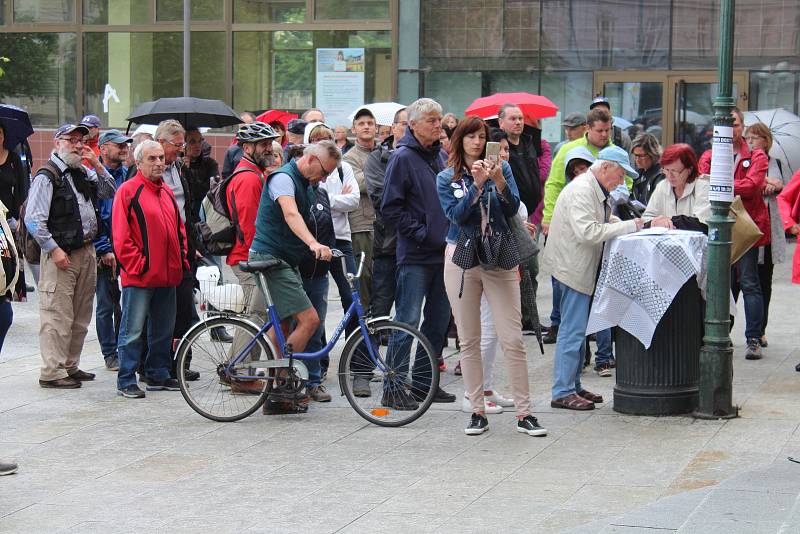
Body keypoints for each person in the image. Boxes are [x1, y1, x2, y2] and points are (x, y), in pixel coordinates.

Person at [437, 116, 547, 436]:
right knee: (469, 340)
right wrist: (476, 184)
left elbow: (512, 209)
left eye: (481, 136)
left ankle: (525, 413)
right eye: (469, 136)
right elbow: (456, 217)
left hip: (499, 255)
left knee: (512, 338)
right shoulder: (447, 177)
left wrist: (497, 180)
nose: (475, 141)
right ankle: (476, 410)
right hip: (461, 257)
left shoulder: (504, 169)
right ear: (459, 141)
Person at [543, 146, 655, 410]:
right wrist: (631, 225)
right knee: (572, 330)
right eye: (619, 174)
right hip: (572, 268)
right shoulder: (583, 189)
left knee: (579, 328)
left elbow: (598, 220)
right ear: (605, 168)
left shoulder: (593, 187)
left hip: (578, 266)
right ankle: (562, 390)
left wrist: (617, 221)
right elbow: (588, 232)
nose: (621, 181)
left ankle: (572, 385)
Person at [248, 141, 340, 411]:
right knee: (310, 320)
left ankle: (278, 387)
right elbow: (290, 213)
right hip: (270, 258)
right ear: (310, 159)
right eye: (324, 172)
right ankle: (282, 384)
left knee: (284, 325)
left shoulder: (308, 184)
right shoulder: (283, 179)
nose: (323, 179)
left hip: (285, 259)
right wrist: (313, 244)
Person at [26, 124, 117, 388]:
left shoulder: (82, 171)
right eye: (72, 140)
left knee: (80, 314)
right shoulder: (47, 175)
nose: (78, 145)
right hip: (61, 255)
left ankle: (69, 365)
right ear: (57, 143)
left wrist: (97, 165)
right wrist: (53, 249)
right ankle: (52, 371)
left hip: (86, 250)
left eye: (82, 140)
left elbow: (109, 191)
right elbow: (34, 220)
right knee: (57, 314)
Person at [381, 98, 456, 408]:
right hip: (415, 255)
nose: (438, 125)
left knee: (437, 323)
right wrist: (423, 233)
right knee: (407, 321)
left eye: (439, 119)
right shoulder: (402, 158)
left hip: (443, 254)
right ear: (412, 124)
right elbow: (390, 208)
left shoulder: (440, 155)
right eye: (431, 120)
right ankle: (394, 388)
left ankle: (424, 385)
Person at [112, 140, 189, 399]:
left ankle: (158, 373)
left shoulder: (165, 191)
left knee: (163, 330)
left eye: (160, 158)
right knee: (132, 330)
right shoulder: (127, 191)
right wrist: (139, 266)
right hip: (141, 276)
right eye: (152, 159)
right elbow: (121, 238)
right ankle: (126, 379)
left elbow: (180, 230)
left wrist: (182, 261)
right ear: (138, 162)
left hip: (168, 275)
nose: (159, 163)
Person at [699, 108, 769, 360]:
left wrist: (721, 184)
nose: (732, 129)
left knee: (750, 282)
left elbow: (752, 187)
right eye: (727, 124)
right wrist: (722, 184)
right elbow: (704, 182)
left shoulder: (757, 156)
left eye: (736, 124)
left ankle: (753, 338)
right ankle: (718, 335)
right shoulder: (709, 154)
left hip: (744, 226)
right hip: (716, 227)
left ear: (742, 126)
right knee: (719, 284)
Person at [224, 122, 280, 394]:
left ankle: (233, 369)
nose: (268, 148)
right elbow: (250, 226)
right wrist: (262, 258)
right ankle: (240, 374)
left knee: (253, 315)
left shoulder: (253, 173)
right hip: (249, 258)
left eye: (270, 143)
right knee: (255, 317)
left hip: (249, 256)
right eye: (263, 144)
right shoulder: (247, 178)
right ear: (247, 148)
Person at [543, 146, 595, 346]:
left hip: (582, 262)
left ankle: (598, 356)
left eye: (583, 169)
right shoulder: (573, 190)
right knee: (569, 316)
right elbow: (588, 231)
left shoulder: (591, 188)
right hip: (568, 262)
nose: (580, 174)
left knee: (578, 318)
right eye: (575, 171)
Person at [543, 107, 622, 236]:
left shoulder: (617, 153)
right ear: (588, 128)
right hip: (572, 215)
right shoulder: (568, 149)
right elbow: (554, 184)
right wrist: (548, 217)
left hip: (608, 219)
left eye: (607, 130)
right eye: (599, 130)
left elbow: (627, 184)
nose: (604, 134)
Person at [745, 122, 787, 348]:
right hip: (746, 225)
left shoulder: (774, 162)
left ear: (766, 140)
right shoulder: (743, 161)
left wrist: (770, 183)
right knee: (741, 281)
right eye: (748, 137)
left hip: (767, 228)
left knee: (764, 280)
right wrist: (764, 182)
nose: (751, 142)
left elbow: (779, 186)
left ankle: (760, 330)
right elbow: (753, 185)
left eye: (755, 137)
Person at [94, 129, 132, 371]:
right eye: (118, 145)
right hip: (104, 251)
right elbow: (93, 215)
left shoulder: (128, 174)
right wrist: (103, 248)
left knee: (125, 303)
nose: (124, 148)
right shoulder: (92, 174)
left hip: (126, 248)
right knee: (106, 304)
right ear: (104, 148)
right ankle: (109, 353)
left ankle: (122, 348)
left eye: (125, 144)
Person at [364, 108, 407, 321]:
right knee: (381, 302)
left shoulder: (426, 157)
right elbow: (383, 200)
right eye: (405, 124)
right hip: (387, 241)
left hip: (416, 243)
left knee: (409, 307)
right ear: (394, 127)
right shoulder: (376, 158)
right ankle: (370, 351)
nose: (409, 129)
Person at [343, 108, 378, 313]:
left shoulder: (384, 152)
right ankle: (363, 328)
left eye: (370, 123)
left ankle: (380, 325)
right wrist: (383, 176)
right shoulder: (349, 158)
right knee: (363, 278)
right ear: (354, 129)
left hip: (384, 224)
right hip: (360, 225)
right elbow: (364, 185)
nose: (366, 126)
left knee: (382, 278)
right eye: (361, 123)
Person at [643, 143, 710, 231]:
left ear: (689, 170)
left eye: (675, 171)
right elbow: (646, 218)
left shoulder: (703, 186)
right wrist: (654, 222)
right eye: (666, 170)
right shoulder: (662, 186)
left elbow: (702, 223)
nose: (670, 176)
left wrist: (668, 222)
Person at [0, 124, 30, 300]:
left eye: (0, 133)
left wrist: (20, 216)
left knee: (9, 255)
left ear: (5, 136)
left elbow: (21, 187)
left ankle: (11, 290)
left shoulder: (13, 159)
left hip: (9, 217)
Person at [183, 128, 220, 221]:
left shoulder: (210, 164)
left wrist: (189, 171)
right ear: (184, 145)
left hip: (205, 216)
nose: (198, 145)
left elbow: (211, 190)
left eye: (200, 141)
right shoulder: (177, 165)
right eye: (192, 142)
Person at [631, 133, 665, 204]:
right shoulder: (637, 174)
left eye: (641, 156)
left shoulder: (660, 176)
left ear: (653, 154)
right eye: (635, 155)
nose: (637, 160)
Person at [221, 112, 256, 179]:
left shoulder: (260, 148)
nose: (245, 131)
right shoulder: (232, 151)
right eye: (242, 127)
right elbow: (226, 175)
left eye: (247, 126)